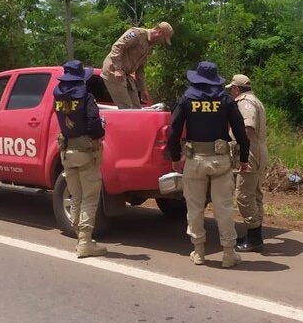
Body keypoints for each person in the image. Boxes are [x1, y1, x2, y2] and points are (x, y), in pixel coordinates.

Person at [167, 61, 250, 268]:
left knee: (194, 208)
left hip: (194, 160)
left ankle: (199, 251)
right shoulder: (225, 99)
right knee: (223, 207)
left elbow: (173, 129)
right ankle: (229, 254)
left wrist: (175, 156)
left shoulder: (187, 98)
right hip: (220, 160)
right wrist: (244, 158)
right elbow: (240, 130)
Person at [54, 60, 107, 258]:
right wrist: (99, 132)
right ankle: (85, 242)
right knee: (90, 198)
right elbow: (94, 124)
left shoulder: (57, 97)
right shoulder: (87, 97)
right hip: (86, 152)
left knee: (75, 196)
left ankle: (80, 238)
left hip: (66, 152)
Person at [226, 74, 268, 253]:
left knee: (244, 195)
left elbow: (247, 128)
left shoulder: (245, 102)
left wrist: (237, 145)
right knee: (255, 194)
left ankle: (254, 238)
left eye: (231, 89)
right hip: (259, 150)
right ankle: (255, 235)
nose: (230, 93)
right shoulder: (256, 100)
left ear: (236, 89)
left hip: (250, 151)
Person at [101, 22, 173, 109]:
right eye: (163, 39)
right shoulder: (136, 33)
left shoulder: (149, 46)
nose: (162, 42)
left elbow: (140, 69)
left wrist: (142, 90)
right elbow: (117, 47)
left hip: (126, 74)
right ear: (160, 32)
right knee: (126, 108)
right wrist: (117, 69)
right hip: (113, 70)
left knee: (136, 108)